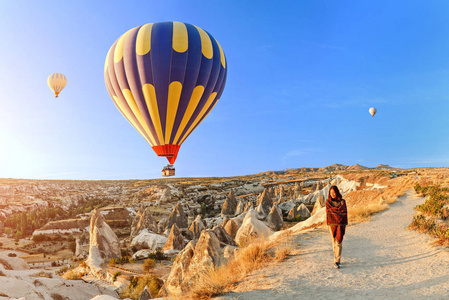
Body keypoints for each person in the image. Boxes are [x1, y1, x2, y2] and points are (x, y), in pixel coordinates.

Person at [326, 185, 348, 269]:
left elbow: (344, 211)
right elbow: (329, 212)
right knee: (333, 242)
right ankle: (336, 257)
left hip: (340, 224)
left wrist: (336, 213)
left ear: (337, 192)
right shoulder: (328, 202)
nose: (332, 194)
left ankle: (337, 260)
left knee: (339, 241)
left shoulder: (342, 202)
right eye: (331, 193)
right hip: (332, 224)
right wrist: (337, 212)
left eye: (334, 193)